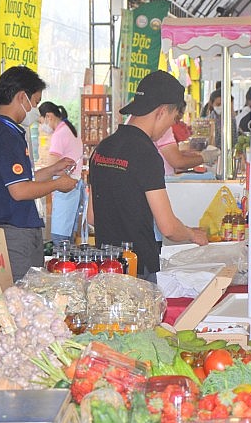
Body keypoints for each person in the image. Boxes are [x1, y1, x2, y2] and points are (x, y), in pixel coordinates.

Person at [87, 70, 208, 281]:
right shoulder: (146, 154)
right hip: (138, 268)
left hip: (105, 267)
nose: (168, 128)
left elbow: (92, 217)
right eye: (171, 120)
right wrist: (192, 234)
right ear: (161, 111)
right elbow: (168, 227)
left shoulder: (103, 148)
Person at [0, 66, 77, 282]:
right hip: (15, 234)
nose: (36, 110)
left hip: (10, 230)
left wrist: (53, 170)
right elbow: (20, 191)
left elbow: (21, 180)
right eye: (36, 102)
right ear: (22, 97)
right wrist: (58, 185)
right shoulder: (6, 136)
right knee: (24, 299)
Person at [38, 101, 85, 244]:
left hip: (66, 189)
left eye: (41, 122)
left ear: (49, 117)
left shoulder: (59, 134)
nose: (41, 127)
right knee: (68, 237)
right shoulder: (70, 129)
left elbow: (51, 166)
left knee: (60, 240)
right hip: (74, 187)